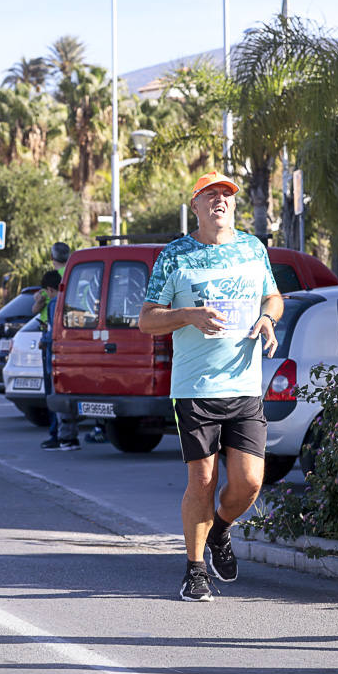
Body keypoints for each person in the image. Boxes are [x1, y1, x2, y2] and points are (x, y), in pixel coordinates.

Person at [139, 171, 283, 602]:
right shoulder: (175, 256)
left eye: (227, 195)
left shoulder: (252, 248)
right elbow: (147, 320)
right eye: (211, 195)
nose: (220, 200)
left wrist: (268, 318)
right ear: (196, 205)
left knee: (250, 482)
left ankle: (220, 529)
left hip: (243, 386)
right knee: (202, 479)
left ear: (233, 206)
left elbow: (273, 297)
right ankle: (195, 569)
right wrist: (188, 316)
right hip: (195, 387)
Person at [37, 270, 78, 452]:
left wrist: (43, 339)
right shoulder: (71, 298)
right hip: (68, 356)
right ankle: (67, 436)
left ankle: (64, 438)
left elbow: (54, 332)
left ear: (49, 289)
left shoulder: (55, 302)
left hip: (54, 357)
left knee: (56, 398)